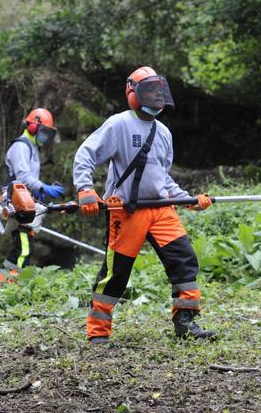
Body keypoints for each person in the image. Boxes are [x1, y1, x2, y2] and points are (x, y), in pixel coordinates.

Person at [73, 66, 216, 345]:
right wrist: (85, 189)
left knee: (185, 262)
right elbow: (85, 155)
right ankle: (98, 332)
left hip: (162, 210)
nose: (156, 96)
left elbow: (162, 177)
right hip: (126, 211)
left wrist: (188, 199)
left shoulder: (163, 132)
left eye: (159, 90)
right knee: (117, 274)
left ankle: (185, 322)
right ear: (134, 94)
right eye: (150, 90)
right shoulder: (118, 125)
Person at [0, 108, 66, 284]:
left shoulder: (31, 146)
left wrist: (42, 191)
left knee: (22, 246)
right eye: (44, 131)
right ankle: (7, 286)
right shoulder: (21, 146)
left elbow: (29, 180)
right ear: (34, 126)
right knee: (23, 249)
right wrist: (45, 188)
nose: (45, 136)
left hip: (26, 203)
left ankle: (3, 283)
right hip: (16, 202)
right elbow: (24, 178)